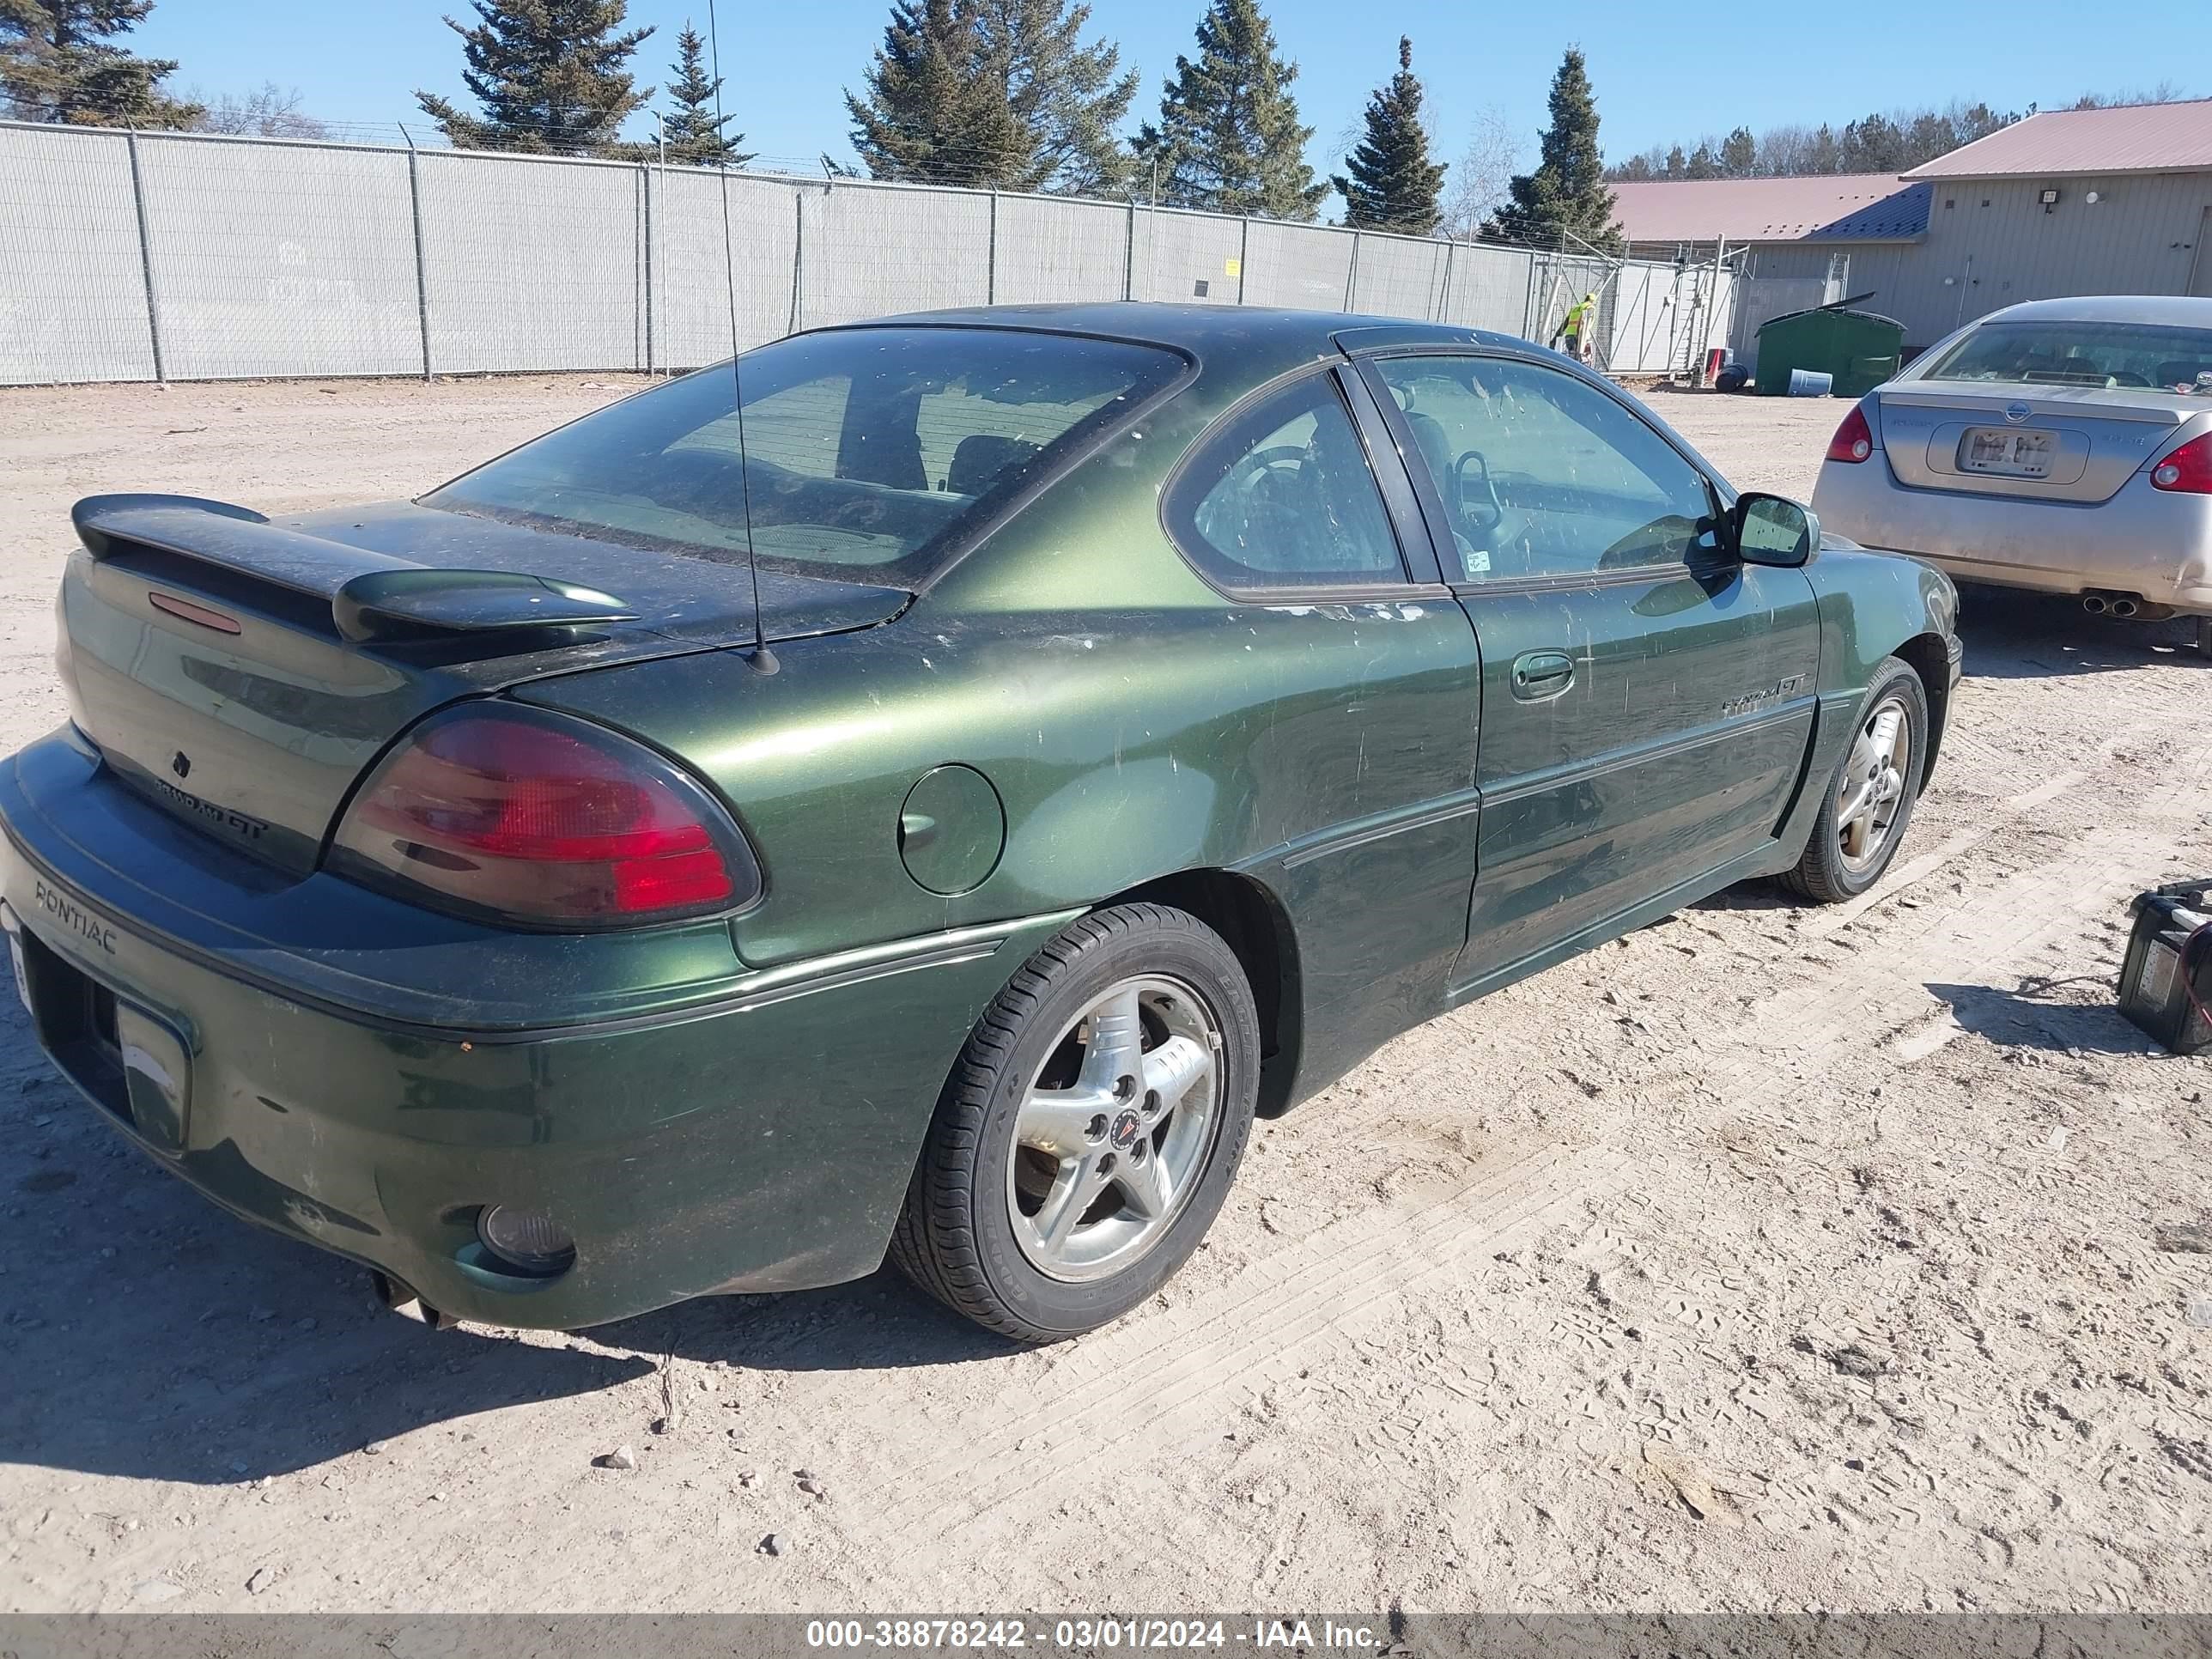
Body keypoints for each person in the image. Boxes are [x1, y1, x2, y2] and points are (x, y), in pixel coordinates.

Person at [1552, 290, 1597, 362]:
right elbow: (1583, 321)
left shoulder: (1575, 308)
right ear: (1593, 301)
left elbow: (1566, 322)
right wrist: (1580, 336)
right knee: (1578, 359)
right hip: (1578, 335)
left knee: (1571, 356)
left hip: (1569, 334)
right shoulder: (1590, 307)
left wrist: (1555, 338)